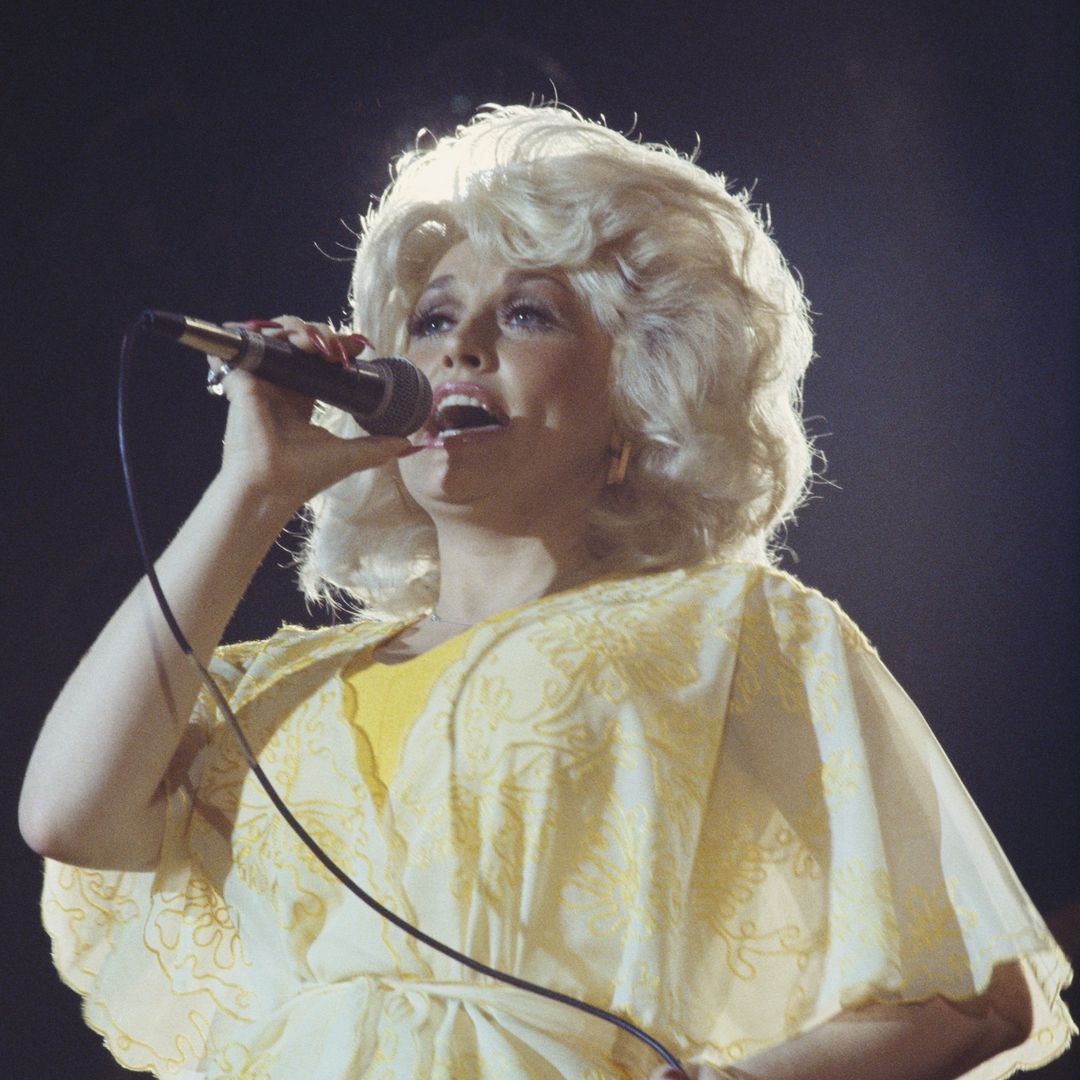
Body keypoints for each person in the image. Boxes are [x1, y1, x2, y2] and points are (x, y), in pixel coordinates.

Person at [21, 104, 1073, 1079]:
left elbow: (979, 994)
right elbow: (70, 816)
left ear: (634, 400)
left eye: (526, 317)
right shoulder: (274, 687)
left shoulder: (725, 630)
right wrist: (250, 490)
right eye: (433, 322)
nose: (462, 346)